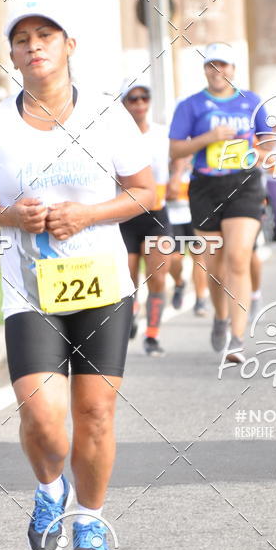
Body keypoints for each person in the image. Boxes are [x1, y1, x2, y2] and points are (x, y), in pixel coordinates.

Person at [0, 3, 154, 550]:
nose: (33, 45)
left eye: (45, 35)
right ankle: (50, 491)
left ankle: (89, 522)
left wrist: (88, 216)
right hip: (29, 286)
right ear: (13, 55)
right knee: (42, 417)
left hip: (102, 284)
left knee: (95, 413)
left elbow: (146, 191)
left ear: (70, 46)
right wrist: (10, 216)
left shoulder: (108, 116)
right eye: (22, 39)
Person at [169, 42, 271, 362]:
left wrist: (262, 154)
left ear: (233, 70)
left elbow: (268, 140)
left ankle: (237, 339)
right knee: (213, 268)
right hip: (205, 187)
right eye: (212, 65)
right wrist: (207, 139)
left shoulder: (251, 102)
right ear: (205, 70)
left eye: (224, 65)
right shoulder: (191, 106)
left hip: (244, 183)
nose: (218, 71)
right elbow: (175, 150)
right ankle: (220, 316)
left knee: (238, 258)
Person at [118, 79, 171, 356]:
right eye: (133, 99)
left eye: (144, 98)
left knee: (158, 278)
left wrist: (178, 177)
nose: (139, 104)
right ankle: (132, 311)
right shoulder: (114, 136)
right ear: (124, 104)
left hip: (156, 214)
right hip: (126, 215)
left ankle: (152, 336)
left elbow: (179, 156)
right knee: (127, 279)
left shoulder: (162, 134)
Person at [166, 158, 209, 316]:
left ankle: (200, 299)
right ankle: (179, 283)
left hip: (195, 216)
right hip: (172, 218)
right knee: (173, 259)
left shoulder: (197, 163)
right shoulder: (166, 163)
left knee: (199, 258)